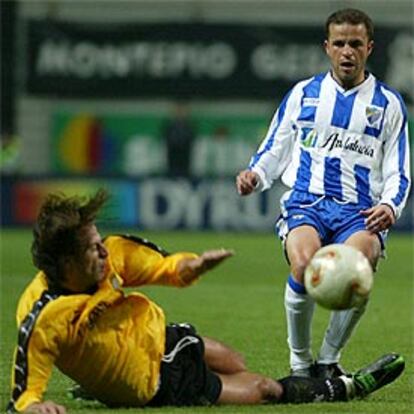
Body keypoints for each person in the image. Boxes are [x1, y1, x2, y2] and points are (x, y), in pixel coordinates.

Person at [7, 190, 405, 414]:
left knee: (235, 362)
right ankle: (344, 388)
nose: (103, 252)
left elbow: (162, 267)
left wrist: (191, 266)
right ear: (65, 264)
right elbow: (25, 388)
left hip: (158, 339)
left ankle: (94, 386)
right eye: (92, 250)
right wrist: (33, 407)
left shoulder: (109, 256)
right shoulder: (45, 315)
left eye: (99, 243)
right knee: (263, 389)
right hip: (154, 382)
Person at [236, 8, 411, 379]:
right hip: (307, 202)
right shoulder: (304, 94)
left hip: (360, 210)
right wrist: (256, 174)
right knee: (303, 265)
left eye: (356, 44)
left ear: (369, 48)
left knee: (359, 270)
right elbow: (275, 147)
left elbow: (400, 169)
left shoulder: (389, 104)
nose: (348, 51)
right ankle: (300, 364)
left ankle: (329, 360)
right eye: (340, 43)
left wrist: (389, 206)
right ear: (327, 47)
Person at [163, 102, 196, 177]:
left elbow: (192, 140)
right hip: (172, 160)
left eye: (182, 111)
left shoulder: (190, 127)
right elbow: (166, 139)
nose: (180, 114)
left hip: (185, 160)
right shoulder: (169, 126)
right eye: (178, 111)